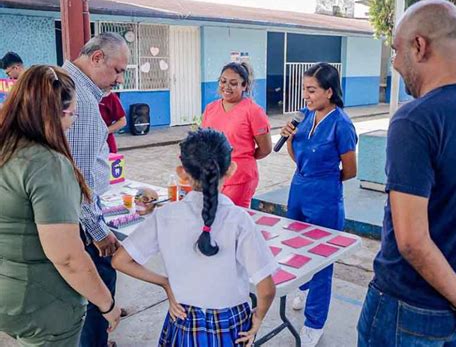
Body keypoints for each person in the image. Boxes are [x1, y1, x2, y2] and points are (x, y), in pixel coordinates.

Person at [357, 0, 456, 346]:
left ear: (419, 46)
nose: (393, 62)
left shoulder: (416, 119)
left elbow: (412, 241)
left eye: (395, 50)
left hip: (408, 311)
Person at [112, 128, 277, 346]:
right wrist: (258, 318)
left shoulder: (164, 216)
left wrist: (165, 283)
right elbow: (266, 289)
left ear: (182, 172)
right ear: (232, 168)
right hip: (232, 324)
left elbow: (119, 260)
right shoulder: (239, 219)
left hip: (183, 319)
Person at [0, 65, 121, 346]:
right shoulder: (47, 164)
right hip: (41, 302)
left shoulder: (7, 148)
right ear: (57, 113)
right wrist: (107, 304)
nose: (72, 123)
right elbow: (68, 257)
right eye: (73, 114)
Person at [280, 63, 357, 346]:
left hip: (325, 196)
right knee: (297, 247)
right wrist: (288, 136)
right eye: (304, 89)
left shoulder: (342, 124)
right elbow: (298, 154)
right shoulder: (304, 117)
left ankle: (315, 323)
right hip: (298, 188)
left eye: (311, 90)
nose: (306, 95)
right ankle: (304, 286)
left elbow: (350, 169)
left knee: (322, 259)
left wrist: (325, 180)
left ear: (329, 91)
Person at [63, 32, 129, 347]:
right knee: (98, 285)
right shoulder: (82, 101)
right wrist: (97, 230)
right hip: (79, 219)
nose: (118, 80)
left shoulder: (67, 84)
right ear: (97, 57)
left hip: (70, 212)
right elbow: (79, 178)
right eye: (117, 70)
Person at [202, 62, 272, 207]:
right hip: (213, 176)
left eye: (233, 83)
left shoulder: (253, 111)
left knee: (230, 220)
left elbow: (265, 149)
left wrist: (241, 158)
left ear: (244, 85)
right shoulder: (210, 108)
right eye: (223, 81)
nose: (227, 87)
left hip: (240, 179)